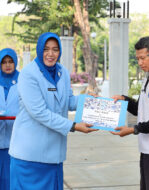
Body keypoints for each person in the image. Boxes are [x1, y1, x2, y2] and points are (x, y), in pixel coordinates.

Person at [8, 32, 97, 190]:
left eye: (55, 49)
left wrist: (88, 101)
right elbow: (39, 112)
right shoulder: (29, 74)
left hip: (53, 156)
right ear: (39, 49)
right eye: (46, 49)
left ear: (60, 51)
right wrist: (73, 126)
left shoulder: (62, 72)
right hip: (30, 157)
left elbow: (68, 101)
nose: (50, 54)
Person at [111, 36, 149, 190]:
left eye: (143, 58)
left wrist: (134, 129)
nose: (140, 63)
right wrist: (124, 99)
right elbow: (141, 109)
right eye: (137, 59)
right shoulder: (148, 79)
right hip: (146, 148)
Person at [0, 48, 19, 190]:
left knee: (12, 181)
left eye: (11, 61)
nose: (7, 65)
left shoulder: (23, 81)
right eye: (4, 62)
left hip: (16, 144)